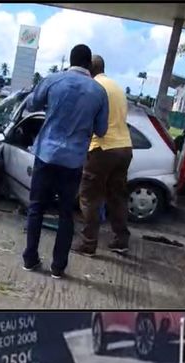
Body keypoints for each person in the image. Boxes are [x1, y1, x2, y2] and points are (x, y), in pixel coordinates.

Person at [21, 44, 109, 279]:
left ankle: (30, 259)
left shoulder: (53, 80)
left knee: (37, 208)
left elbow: (31, 105)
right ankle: (58, 267)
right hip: (73, 161)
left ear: (70, 60)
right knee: (66, 214)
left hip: (46, 154)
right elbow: (101, 130)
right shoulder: (99, 92)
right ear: (89, 64)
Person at [73, 55, 133, 255]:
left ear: (89, 68)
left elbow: (88, 120)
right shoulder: (116, 87)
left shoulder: (94, 88)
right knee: (117, 197)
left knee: (90, 197)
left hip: (102, 149)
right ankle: (121, 240)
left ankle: (89, 244)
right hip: (124, 148)